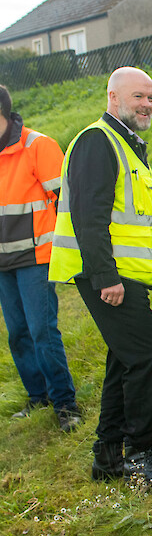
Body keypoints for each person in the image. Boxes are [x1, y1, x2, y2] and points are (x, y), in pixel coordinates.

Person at [49, 67, 152, 486]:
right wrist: (105, 277)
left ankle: (108, 457)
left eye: (151, 97)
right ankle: (140, 456)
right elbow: (89, 217)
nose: (147, 104)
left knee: (125, 360)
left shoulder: (128, 146)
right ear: (113, 98)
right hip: (109, 276)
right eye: (138, 96)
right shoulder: (98, 142)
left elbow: (142, 217)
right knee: (147, 356)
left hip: (124, 275)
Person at [0, 84, 80, 432]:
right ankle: (38, 396)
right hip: (3, 264)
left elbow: (68, 202)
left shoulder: (37, 146)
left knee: (41, 331)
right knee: (17, 333)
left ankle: (65, 403)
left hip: (36, 257)